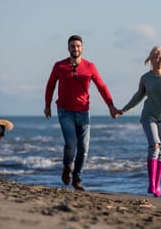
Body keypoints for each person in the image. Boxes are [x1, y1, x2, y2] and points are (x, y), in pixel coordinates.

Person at [44, 35, 120, 191]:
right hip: (65, 111)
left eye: (78, 46)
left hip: (84, 112)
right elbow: (50, 85)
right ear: (68, 48)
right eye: (72, 46)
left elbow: (101, 86)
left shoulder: (90, 67)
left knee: (84, 149)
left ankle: (77, 178)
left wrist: (111, 105)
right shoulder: (59, 66)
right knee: (71, 143)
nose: (75, 49)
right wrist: (47, 105)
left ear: (82, 48)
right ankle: (67, 167)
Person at [119, 46, 161, 197]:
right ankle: (151, 183)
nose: (160, 60)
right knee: (154, 145)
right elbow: (138, 96)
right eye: (157, 57)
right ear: (151, 59)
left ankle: (158, 184)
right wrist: (124, 109)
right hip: (149, 116)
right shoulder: (145, 78)